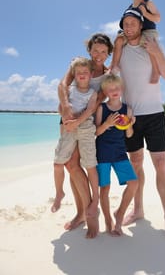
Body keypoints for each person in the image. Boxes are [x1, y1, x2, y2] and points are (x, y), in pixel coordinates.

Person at [118, 7, 165, 242]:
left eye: (132, 23)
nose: (128, 27)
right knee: (136, 163)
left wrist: (156, 52)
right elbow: (112, 78)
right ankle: (138, 210)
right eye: (125, 23)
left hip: (155, 114)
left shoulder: (153, 44)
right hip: (130, 116)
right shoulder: (121, 49)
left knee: (161, 163)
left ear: (140, 25)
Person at [57, 33, 113, 238]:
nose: (99, 55)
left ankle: (89, 213)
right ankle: (81, 212)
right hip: (67, 116)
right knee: (70, 166)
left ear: (109, 53)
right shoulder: (79, 65)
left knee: (74, 164)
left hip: (86, 122)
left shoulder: (108, 75)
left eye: (104, 51)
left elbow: (97, 101)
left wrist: (77, 120)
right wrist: (65, 108)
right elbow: (63, 85)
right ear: (89, 50)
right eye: (95, 50)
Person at [53, 56, 99, 231]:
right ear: (74, 74)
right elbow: (61, 106)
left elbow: (90, 110)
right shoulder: (70, 90)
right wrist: (65, 113)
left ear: (90, 74)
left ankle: (93, 204)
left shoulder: (93, 93)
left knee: (89, 165)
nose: (81, 75)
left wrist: (76, 122)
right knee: (59, 163)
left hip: (85, 127)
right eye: (78, 73)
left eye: (85, 72)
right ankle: (59, 193)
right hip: (69, 126)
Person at [95, 74, 138, 236]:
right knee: (104, 188)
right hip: (103, 154)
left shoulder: (127, 109)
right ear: (105, 91)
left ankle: (119, 213)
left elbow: (129, 135)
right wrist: (107, 124)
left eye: (117, 88)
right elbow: (97, 132)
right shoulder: (102, 108)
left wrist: (129, 124)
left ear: (122, 89)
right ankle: (108, 219)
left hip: (120, 153)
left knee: (133, 183)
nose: (114, 91)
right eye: (110, 88)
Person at [110, 0, 161, 84]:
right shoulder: (129, 8)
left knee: (149, 42)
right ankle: (114, 65)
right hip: (133, 32)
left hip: (147, 30)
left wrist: (145, 13)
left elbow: (158, 18)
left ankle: (156, 71)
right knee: (118, 39)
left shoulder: (148, 3)